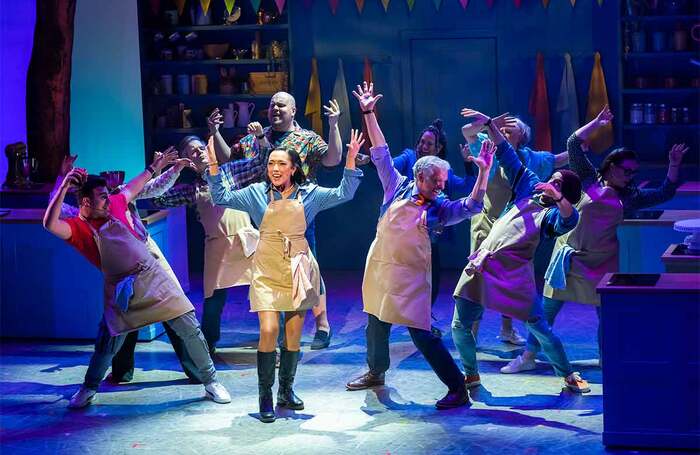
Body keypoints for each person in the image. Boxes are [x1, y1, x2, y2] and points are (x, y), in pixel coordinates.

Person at [502, 105, 688, 373]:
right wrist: (597, 123)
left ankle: (607, 359)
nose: (630, 176)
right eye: (626, 170)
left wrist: (673, 166)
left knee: (607, 315)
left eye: (634, 172)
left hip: (602, 262)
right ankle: (528, 356)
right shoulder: (588, 179)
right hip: (569, 258)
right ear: (611, 167)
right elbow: (573, 143)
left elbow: (664, 192)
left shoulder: (630, 196)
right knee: (546, 312)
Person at [345, 82, 492, 409]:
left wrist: (482, 174)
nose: (442, 188)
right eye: (437, 182)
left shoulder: (439, 208)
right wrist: (368, 112)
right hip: (382, 267)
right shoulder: (395, 188)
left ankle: (457, 387)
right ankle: (376, 372)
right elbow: (381, 151)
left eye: (443, 183)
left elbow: (470, 207)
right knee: (376, 319)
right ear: (420, 177)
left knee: (421, 333)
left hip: (411, 277)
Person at [43, 160, 230, 409]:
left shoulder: (118, 202)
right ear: (85, 202)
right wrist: (65, 184)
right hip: (122, 288)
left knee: (189, 325)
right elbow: (49, 223)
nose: (108, 201)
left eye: (108, 196)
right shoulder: (77, 228)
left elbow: (135, 185)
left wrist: (155, 167)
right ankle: (88, 388)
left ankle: (211, 381)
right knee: (108, 342)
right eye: (101, 197)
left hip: (153, 278)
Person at [205, 130, 364, 422]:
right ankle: (265, 394)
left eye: (281, 164)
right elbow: (221, 196)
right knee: (268, 331)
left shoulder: (311, 194)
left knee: (293, 337)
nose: (275, 169)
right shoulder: (255, 193)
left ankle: (286, 391)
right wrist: (214, 167)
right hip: (266, 268)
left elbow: (345, 193)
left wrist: (351, 160)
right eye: (270, 164)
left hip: (298, 268)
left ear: (294, 168)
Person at [451, 107, 591, 394]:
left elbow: (570, 220)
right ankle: (471, 375)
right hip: (483, 266)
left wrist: (559, 198)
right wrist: (489, 123)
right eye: (552, 180)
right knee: (459, 325)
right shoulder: (528, 184)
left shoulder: (552, 214)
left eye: (557, 185)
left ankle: (567, 375)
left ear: (564, 194)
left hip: (514, 276)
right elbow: (506, 153)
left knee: (540, 328)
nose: (550, 184)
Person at [208, 93, 354, 350]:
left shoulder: (306, 138)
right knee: (272, 270)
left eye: (281, 105)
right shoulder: (257, 135)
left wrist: (332, 127)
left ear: (294, 110)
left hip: (299, 212)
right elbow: (229, 157)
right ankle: (277, 329)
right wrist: (215, 132)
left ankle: (322, 324)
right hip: (266, 212)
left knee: (308, 268)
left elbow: (332, 159)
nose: (275, 108)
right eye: (272, 104)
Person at [461, 116, 569, 345]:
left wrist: (581, 145)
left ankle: (507, 329)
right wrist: (488, 122)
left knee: (509, 279)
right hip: (486, 225)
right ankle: (471, 333)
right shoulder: (487, 145)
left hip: (513, 229)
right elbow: (467, 131)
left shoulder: (530, 158)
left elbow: (558, 160)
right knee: (477, 280)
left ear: (522, 136)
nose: (504, 131)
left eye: (512, 130)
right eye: (503, 129)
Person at [391, 119, 476, 335]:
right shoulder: (410, 157)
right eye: (421, 142)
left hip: (430, 236)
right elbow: (390, 166)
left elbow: (466, 186)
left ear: (438, 148)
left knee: (431, 280)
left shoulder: (441, 171)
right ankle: (391, 318)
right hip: (405, 234)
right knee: (401, 278)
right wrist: (371, 160)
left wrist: (469, 164)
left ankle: (423, 320)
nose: (422, 146)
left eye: (428, 144)